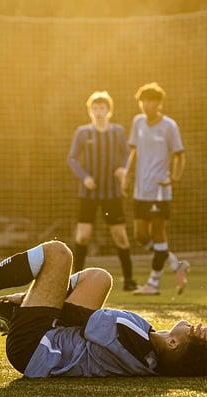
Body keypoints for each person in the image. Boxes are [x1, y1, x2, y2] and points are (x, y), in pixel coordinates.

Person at [0, 241, 207, 378]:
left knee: (58, 254)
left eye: (193, 331)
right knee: (100, 278)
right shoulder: (150, 354)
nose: (195, 325)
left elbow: (72, 314)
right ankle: (7, 312)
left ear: (173, 342)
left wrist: (26, 302)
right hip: (50, 344)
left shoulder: (134, 338)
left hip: (32, 348)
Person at [122, 82, 190, 296]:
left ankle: (153, 283)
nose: (146, 105)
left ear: (159, 103)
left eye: (151, 101)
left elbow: (180, 154)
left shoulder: (169, 125)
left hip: (160, 190)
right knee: (141, 236)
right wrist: (126, 175)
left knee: (158, 233)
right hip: (141, 190)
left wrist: (175, 177)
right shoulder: (138, 122)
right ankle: (175, 263)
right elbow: (133, 152)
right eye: (143, 101)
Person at [67, 91, 137, 292]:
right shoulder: (82, 132)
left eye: (102, 108)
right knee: (82, 237)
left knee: (120, 236)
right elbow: (71, 158)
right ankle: (73, 283)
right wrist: (84, 177)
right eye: (95, 108)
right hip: (88, 195)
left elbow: (126, 155)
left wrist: (123, 169)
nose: (98, 112)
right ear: (90, 111)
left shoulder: (117, 132)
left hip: (111, 194)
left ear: (109, 111)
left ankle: (129, 280)